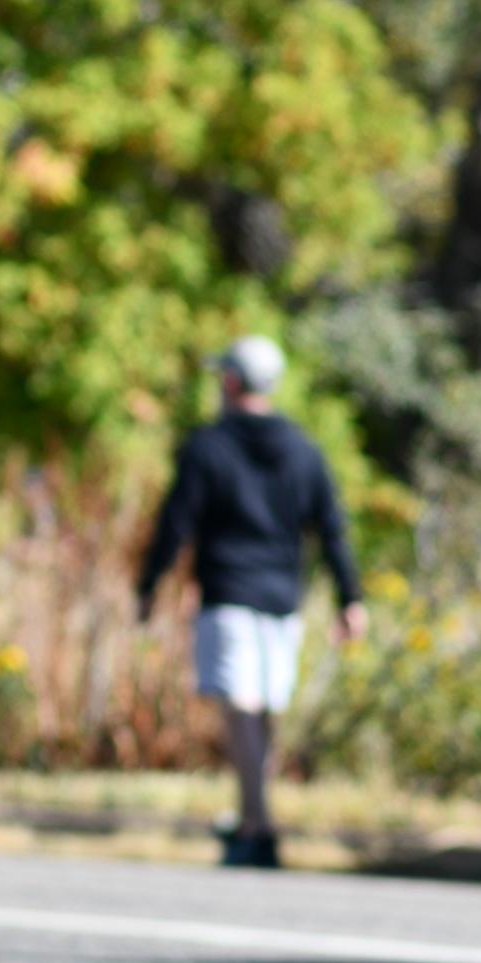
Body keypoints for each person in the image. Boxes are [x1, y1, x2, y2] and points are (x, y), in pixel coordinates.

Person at [135, 333, 366, 870]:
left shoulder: (208, 446)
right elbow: (332, 530)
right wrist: (350, 598)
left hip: (230, 592)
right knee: (261, 708)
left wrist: (148, 585)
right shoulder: (303, 449)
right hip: (283, 597)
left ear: (233, 382)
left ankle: (257, 826)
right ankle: (253, 816)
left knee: (242, 705)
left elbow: (175, 523)